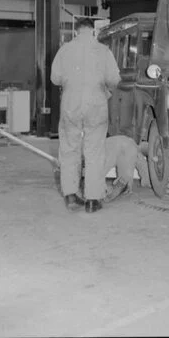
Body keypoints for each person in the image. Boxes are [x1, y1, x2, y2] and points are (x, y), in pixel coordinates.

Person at [51, 17, 121, 213]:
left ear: (76, 31)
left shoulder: (65, 50)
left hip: (70, 105)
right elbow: (114, 79)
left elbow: (55, 78)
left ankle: (71, 195)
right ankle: (92, 200)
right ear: (94, 32)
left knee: (69, 148)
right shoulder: (103, 51)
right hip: (96, 104)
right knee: (94, 151)